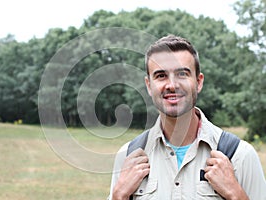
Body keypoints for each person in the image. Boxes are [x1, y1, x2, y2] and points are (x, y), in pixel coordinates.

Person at [108, 35, 266, 200]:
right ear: (149, 85)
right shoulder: (127, 156)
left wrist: (237, 195)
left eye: (182, 74)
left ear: (198, 82)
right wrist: (118, 196)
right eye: (161, 75)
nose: (172, 85)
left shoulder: (240, 156)